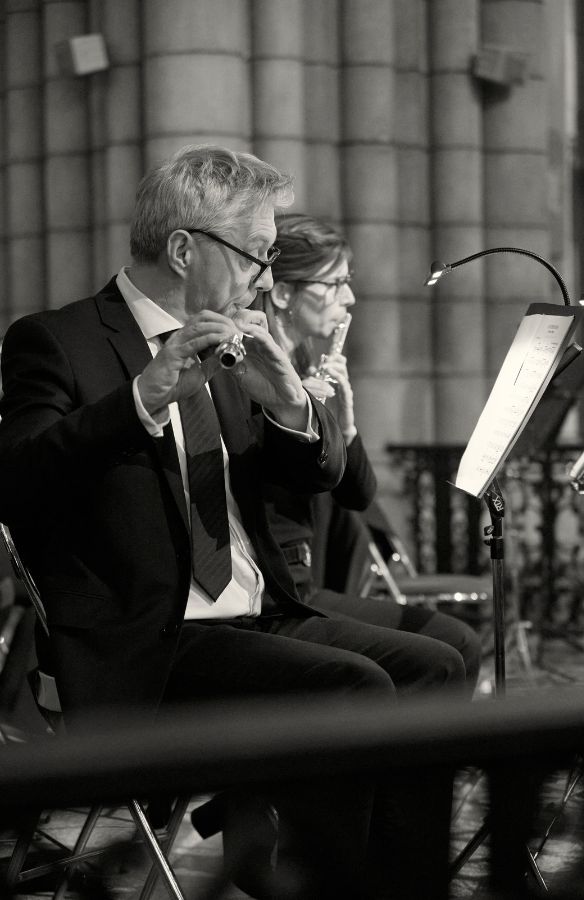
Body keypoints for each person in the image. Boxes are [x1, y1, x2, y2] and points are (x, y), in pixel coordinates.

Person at [0, 145, 463, 900]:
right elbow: (14, 480)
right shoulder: (60, 340)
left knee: (436, 665)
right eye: (257, 253)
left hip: (259, 610)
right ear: (185, 249)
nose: (266, 276)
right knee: (352, 689)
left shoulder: (234, 338)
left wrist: (290, 405)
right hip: (148, 640)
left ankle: (397, 885)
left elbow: (318, 482)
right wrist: (142, 398)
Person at [258, 213, 481, 693]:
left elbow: (358, 495)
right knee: (442, 652)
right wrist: (295, 417)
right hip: (278, 590)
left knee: (457, 639)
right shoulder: (256, 371)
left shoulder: (306, 367)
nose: (349, 298)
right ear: (282, 293)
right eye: (335, 283)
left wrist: (346, 422)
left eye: (348, 282)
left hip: (306, 583)